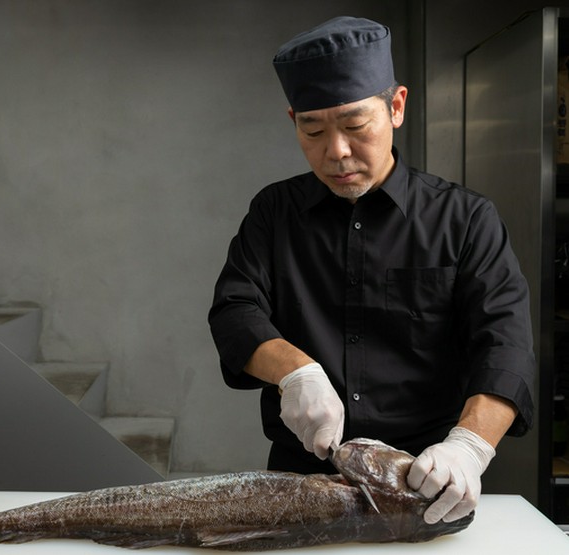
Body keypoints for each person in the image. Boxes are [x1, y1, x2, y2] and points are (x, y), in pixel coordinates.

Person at [208, 16, 535, 525]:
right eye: (312, 130)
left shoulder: (466, 218)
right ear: (293, 120)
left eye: (356, 126)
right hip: (302, 478)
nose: (336, 151)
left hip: (427, 480)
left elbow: (505, 344)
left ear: (396, 107)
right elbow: (235, 309)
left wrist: (469, 446)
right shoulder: (274, 211)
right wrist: (294, 370)